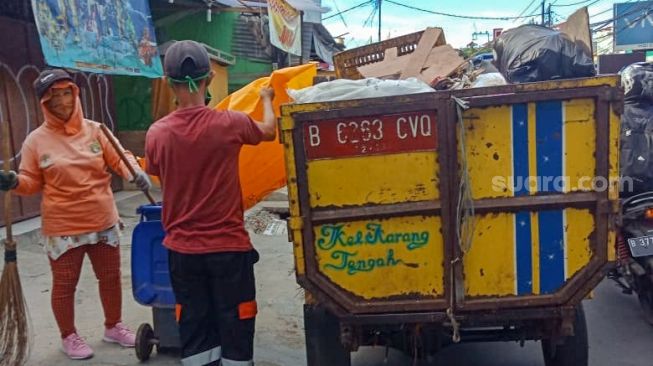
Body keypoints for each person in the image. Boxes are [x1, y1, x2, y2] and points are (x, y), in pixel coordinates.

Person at [0, 69, 152, 360]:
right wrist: (14, 181)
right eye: (52, 96)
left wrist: (136, 173)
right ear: (44, 103)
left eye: (65, 92)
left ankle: (113, 326)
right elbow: (31, 182)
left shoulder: (97, 130)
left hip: (102, 219)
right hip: (63, 225)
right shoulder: (36, 141)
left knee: (109, 277)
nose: (61, 100)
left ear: (75, 93)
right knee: (65, 283)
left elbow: (122, 159)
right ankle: (68, 335)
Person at [145, 40, 276, 366]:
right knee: (236, 323)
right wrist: (266, 99)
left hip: (182, 253)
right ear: (208, 78)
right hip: (229, 252)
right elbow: (270, 131)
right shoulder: (231, 123)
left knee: (195, 326)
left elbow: (155, 173)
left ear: (168, 82)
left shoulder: (157, 134)